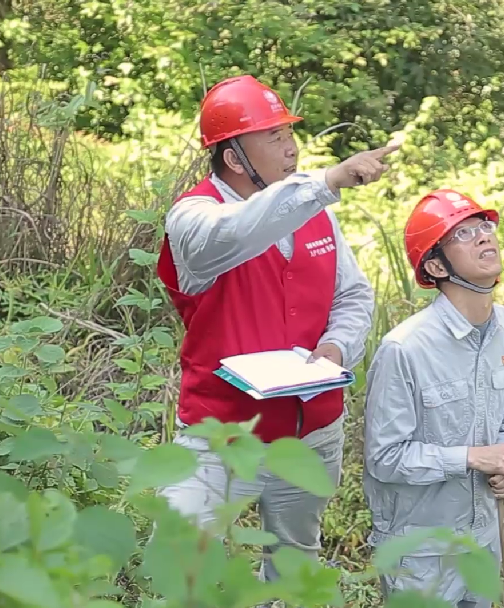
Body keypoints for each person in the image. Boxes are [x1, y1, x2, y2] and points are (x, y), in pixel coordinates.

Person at [154, 74, 396, 583]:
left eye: (289, 134)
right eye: (275, 138)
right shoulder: (194, 216)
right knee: (180, 561)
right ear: (234, 158)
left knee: (293, 561)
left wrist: (335, 348)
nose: (291, 149)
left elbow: (351, 296)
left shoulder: (314, 213)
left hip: (311, 431)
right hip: (220, 433)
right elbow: (235, 234)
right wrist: (326, 183)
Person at [361, 189, 504, 608]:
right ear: (436, 265)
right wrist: (473, 457)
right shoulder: (405, 348)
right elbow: (384, 458)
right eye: (463, 234)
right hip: (421, 554)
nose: (483, 237)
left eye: (484, 226)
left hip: (483, 541)